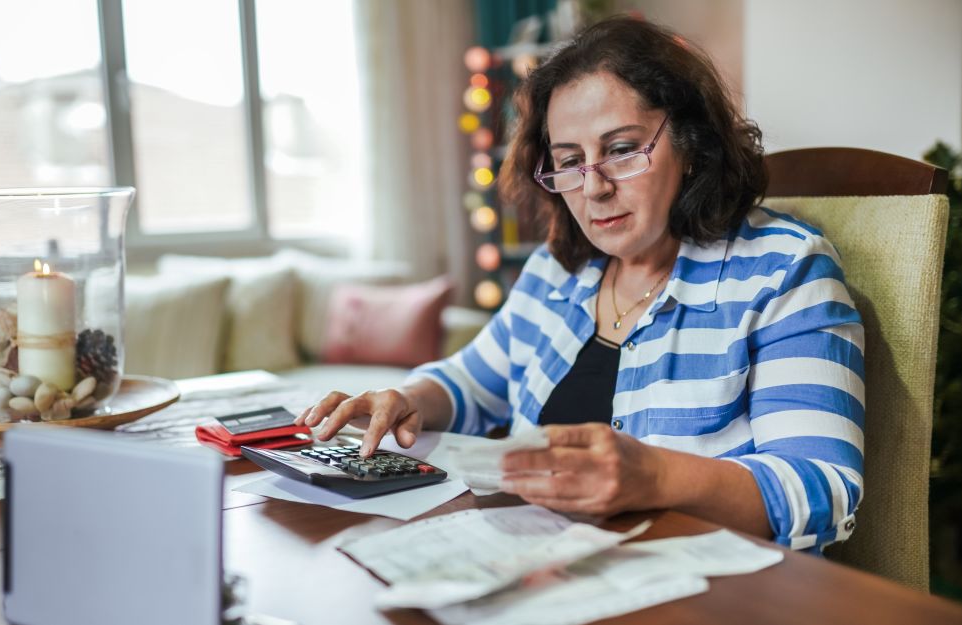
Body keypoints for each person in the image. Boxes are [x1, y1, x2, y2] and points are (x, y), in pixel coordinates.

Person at [295, 16, 864, 552]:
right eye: (570, 160)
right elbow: (474, 380)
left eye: (620, 150)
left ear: (690, 145)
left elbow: (823, 488)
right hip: (543, 564)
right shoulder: (559, 267)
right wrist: (408, 399)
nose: (593, 188)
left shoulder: (785, 271)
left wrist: (656, 475)